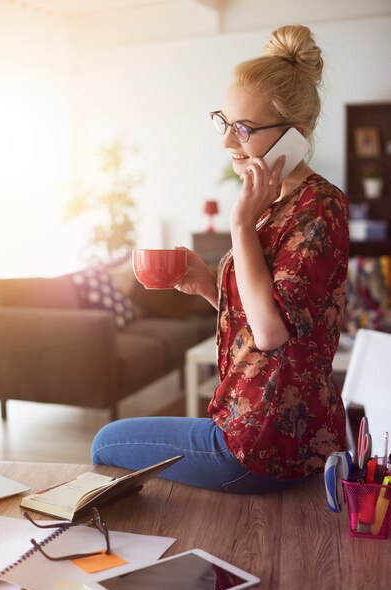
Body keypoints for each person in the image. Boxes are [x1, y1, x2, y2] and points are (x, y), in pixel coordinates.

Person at [91, 24, 349, 493]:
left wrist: (240, 226)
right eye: (224, 121)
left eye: (245, 129)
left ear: (297, 134)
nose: (228, 141)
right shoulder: (274, 202)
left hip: (266, 443)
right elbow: (268, 320)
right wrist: (210, 287)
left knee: (106, 443)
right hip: (260, 429)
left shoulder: (320, 207)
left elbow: (272, 334)